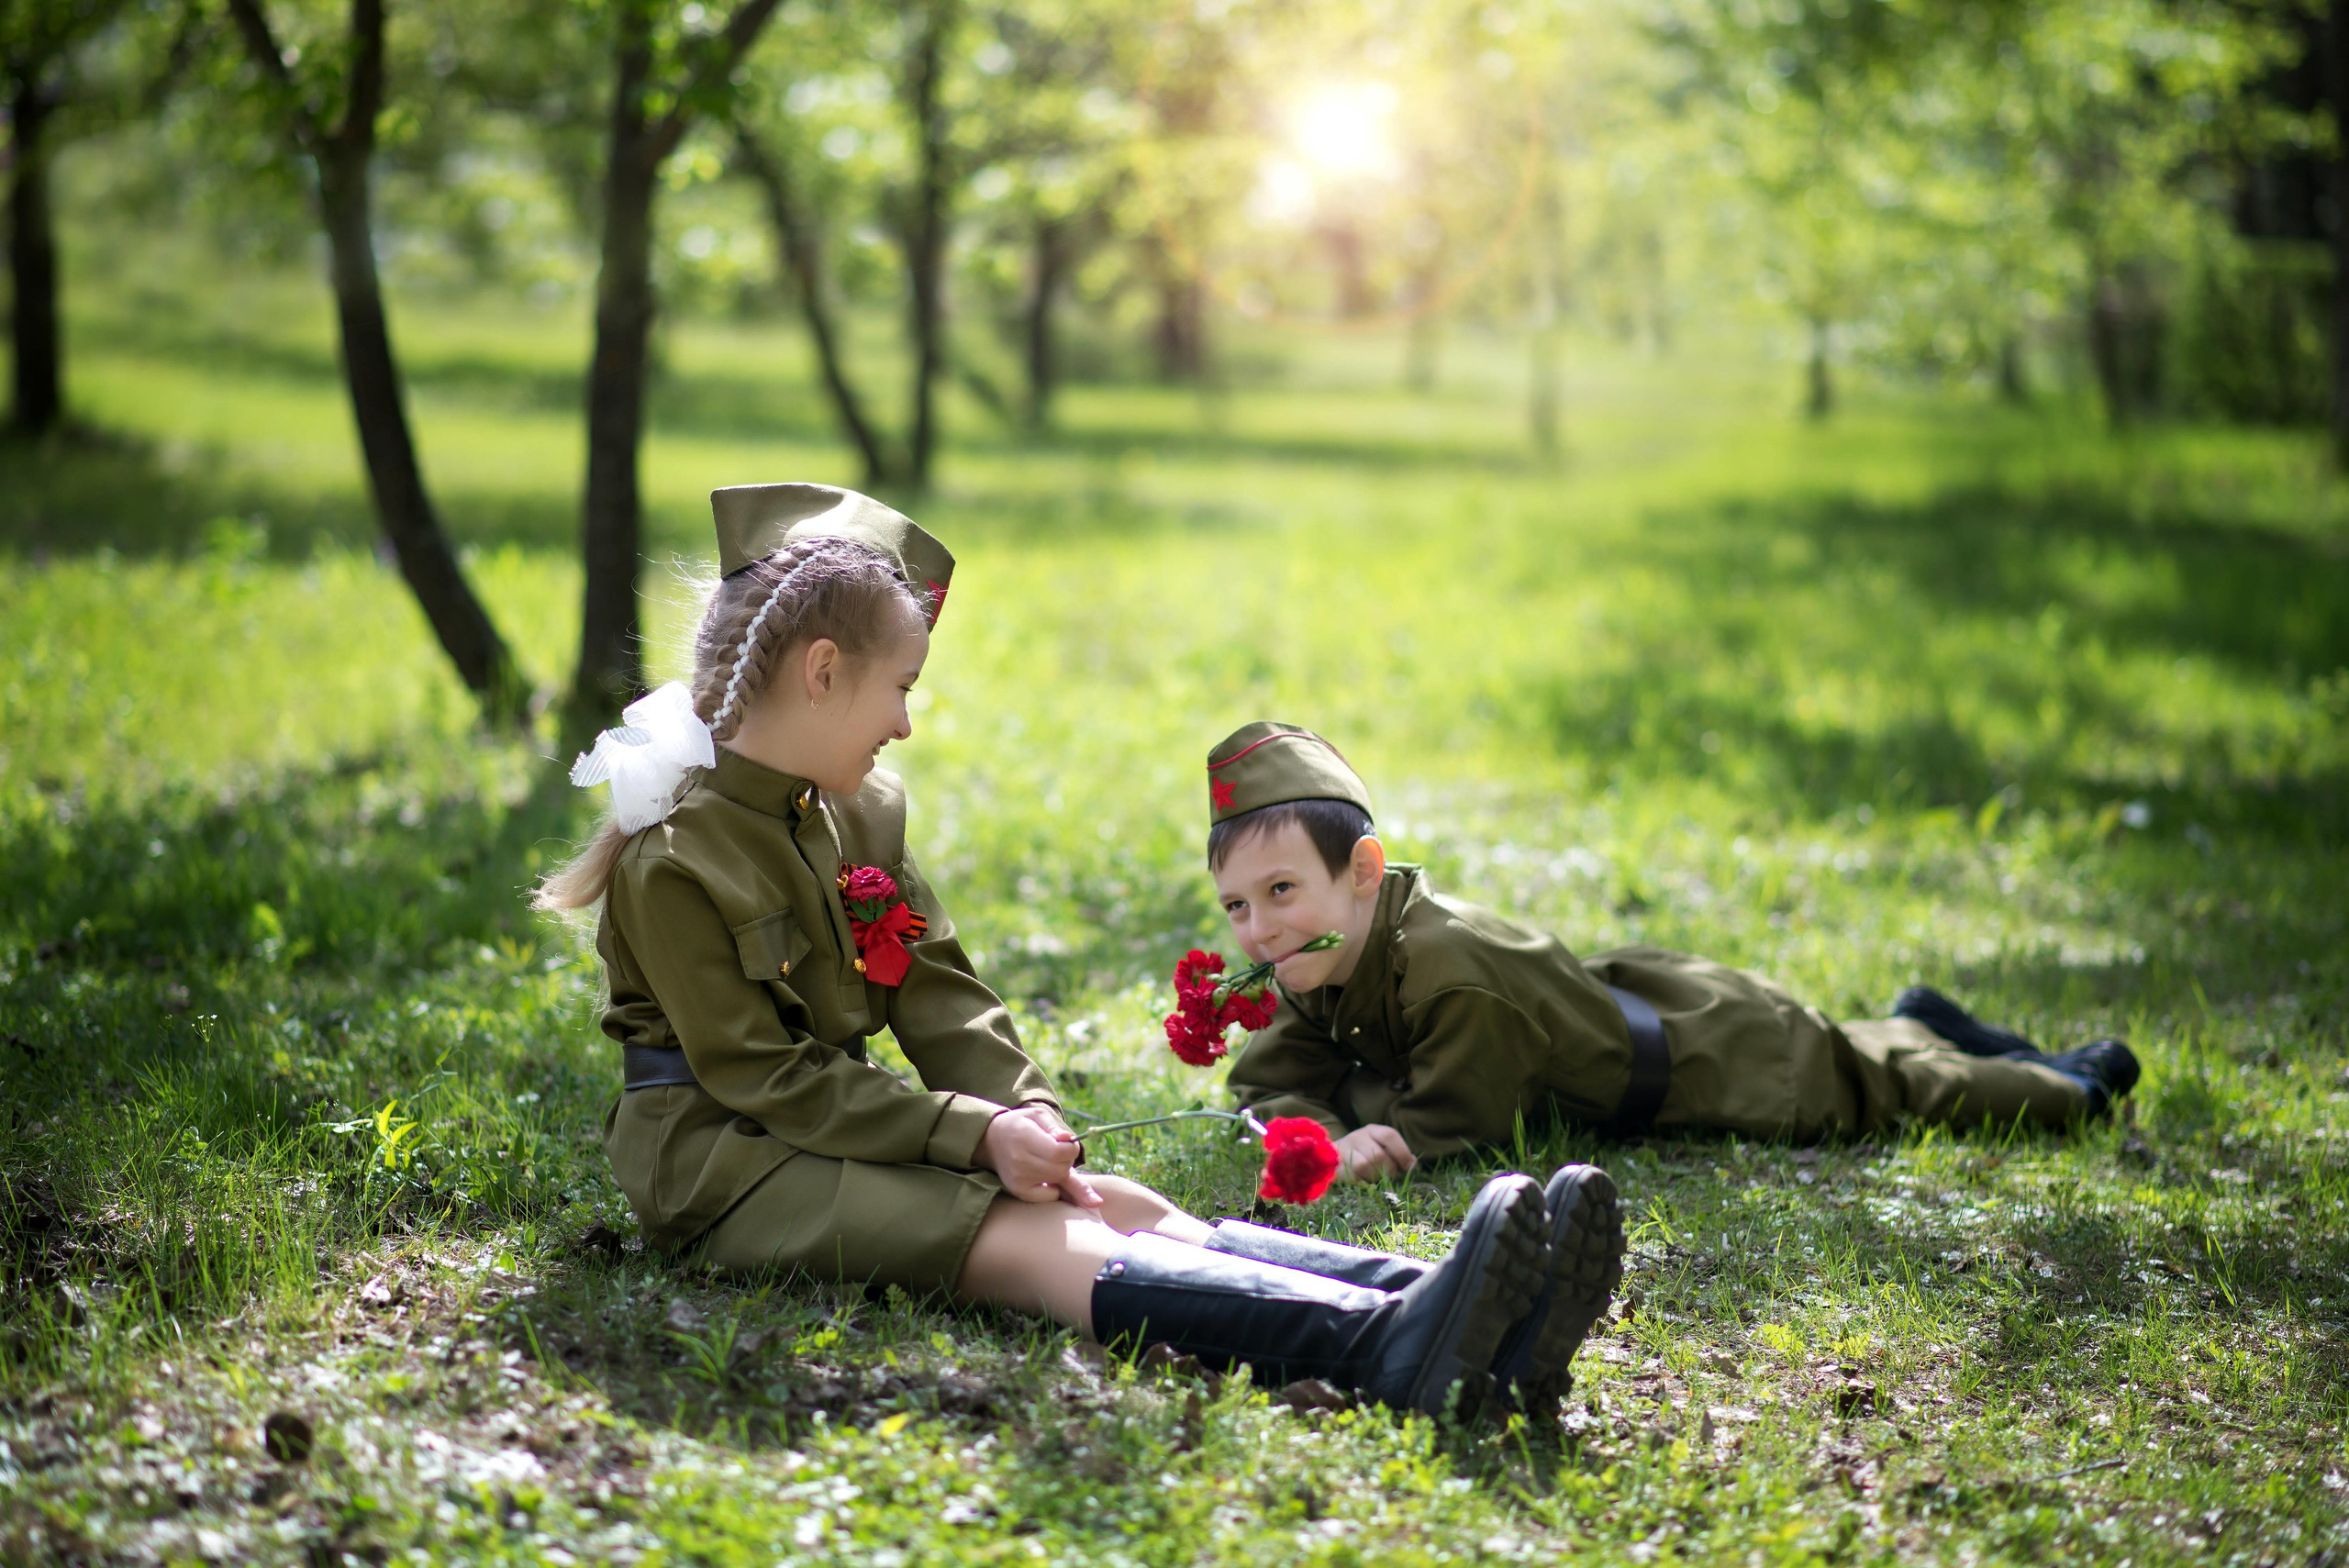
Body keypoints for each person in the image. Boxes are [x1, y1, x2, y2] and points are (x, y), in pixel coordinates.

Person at [534, 485, 1624, 1415]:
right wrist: (973, 1136)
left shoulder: (858, 812)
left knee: (1112, 1203)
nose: (905, 722)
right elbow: (760, 1076)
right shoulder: (675, 858)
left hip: (828, 1122)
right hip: (726, 1162)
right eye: (899, 686)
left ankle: (1459, 1303)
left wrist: (1026, 1109)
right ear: (821, 671)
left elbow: (939, 992)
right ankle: (1384, 1348)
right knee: (1022, 1241)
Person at [1202, 720, 2143, 1183]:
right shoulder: (1319, 954)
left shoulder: (1449, 968)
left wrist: (1371, 1136)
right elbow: (1268, 1079)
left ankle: (2071, 1085)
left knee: (1876, 1085)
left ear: (1363, 870)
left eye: (1281, 891)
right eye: (1237, 904)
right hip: (1634, 1001)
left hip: (1699, 1058)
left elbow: (1451, 1120)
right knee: (1863, 1049)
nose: (1259, 928)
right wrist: (1309, 1128)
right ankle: (1920, 1019)